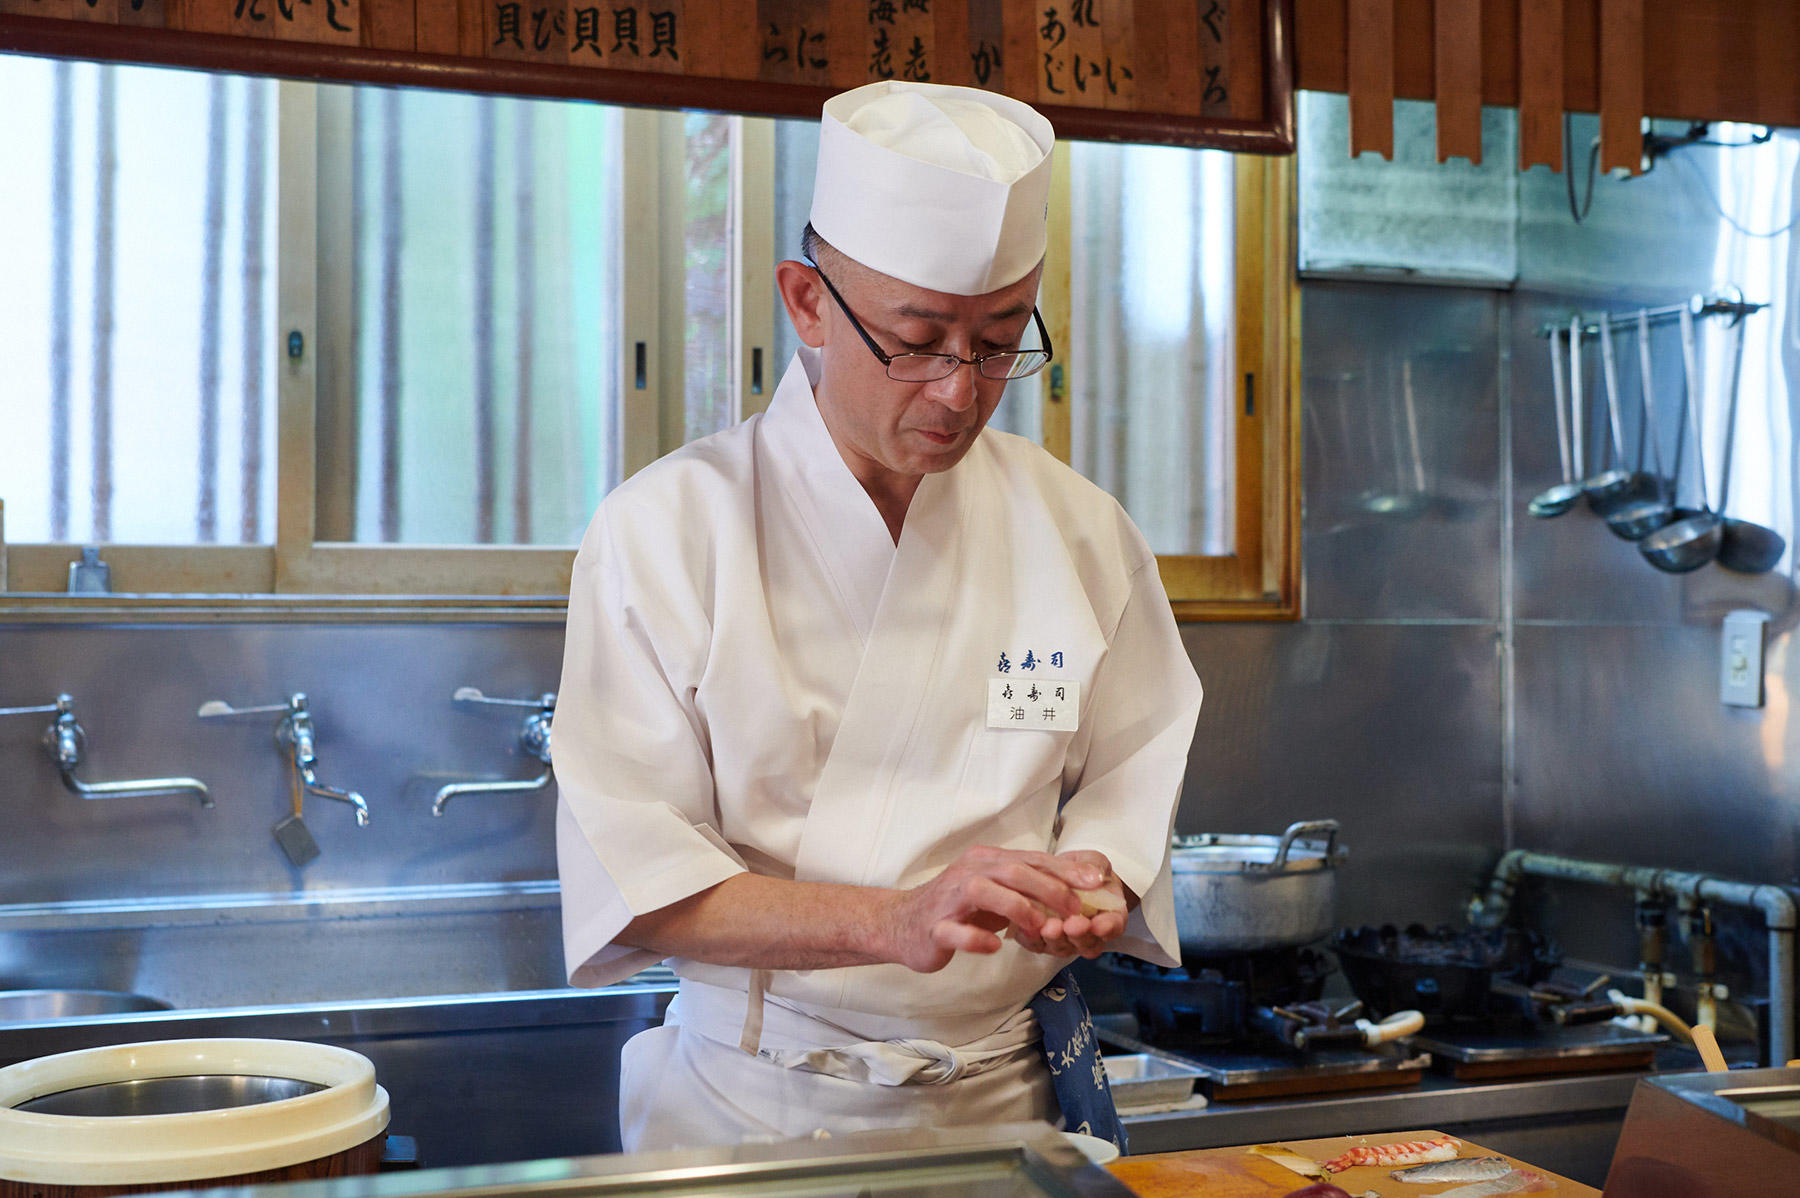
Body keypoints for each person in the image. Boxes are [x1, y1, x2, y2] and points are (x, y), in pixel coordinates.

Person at [555, 80, 1203, 1152]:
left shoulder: (1080, 531)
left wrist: (1092, 881)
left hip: (1011, 1110)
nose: (961, 391)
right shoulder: (667, 533)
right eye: (919, 339)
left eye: (999, 342)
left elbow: (1128, 785)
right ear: (806, 302)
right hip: (753, 1115)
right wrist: (894, 920)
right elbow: (641, 881)